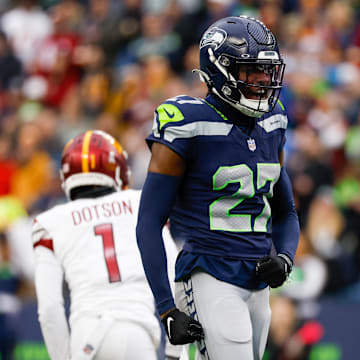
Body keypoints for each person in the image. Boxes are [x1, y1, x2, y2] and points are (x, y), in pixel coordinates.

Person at [136, 15, 300, 360]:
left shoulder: (272, 121)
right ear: (221, 70)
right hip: (208, 272)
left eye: (267, 71)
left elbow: (285, 210)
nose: (263, 80)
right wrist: (166, 309)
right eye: (252, 71)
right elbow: (149, 222)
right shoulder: (187, 123)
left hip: (257, 280)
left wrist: (284, 257)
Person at [32, 130, 182, 360]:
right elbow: (174, 275)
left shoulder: (50, 222)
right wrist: (175, 351)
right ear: (119, 170)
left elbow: (49, 308)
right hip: (135, 331)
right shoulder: (140, 203)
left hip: (85, 336)